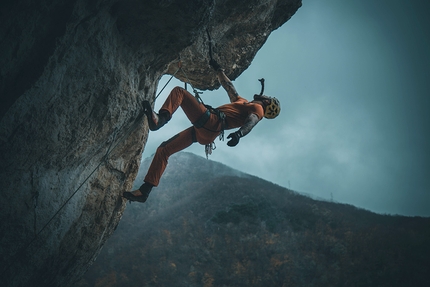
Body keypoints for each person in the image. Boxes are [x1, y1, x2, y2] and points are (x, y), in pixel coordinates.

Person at [123, 60, 281, 203]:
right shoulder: (244, 102)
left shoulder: (258, 108)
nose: (265, 95)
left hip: (212, 122)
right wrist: (218, 69)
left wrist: (240, 134)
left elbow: (251, 122)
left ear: (267, 102)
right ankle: (144, 191)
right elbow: (229, 87)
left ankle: (160, 120)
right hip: (206, 132)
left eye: (268, 97)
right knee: (163, 150)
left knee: (180, 92)